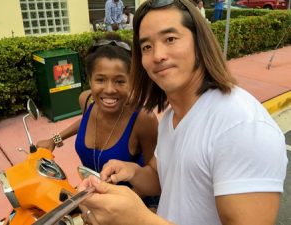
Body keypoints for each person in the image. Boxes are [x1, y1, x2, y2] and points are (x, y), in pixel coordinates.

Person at [78, 0, 288, 225]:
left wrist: (139, 220)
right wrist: (132, 172)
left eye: (170, 39)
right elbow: (160, 179)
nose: (157, 55)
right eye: (147, 47)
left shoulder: (242, 126)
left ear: (200, 43)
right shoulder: (172, 117)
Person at [36, 32, 159, 207]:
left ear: (132, 81)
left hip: (135, 206)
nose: (109, 90)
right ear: (90, 80)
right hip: (93, 198)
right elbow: (86, 121)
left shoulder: (143, 119)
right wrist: (55, 139)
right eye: (100, 80)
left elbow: (153, 177)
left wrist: (121, 205)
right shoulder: (87, 100)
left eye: (120, 81)